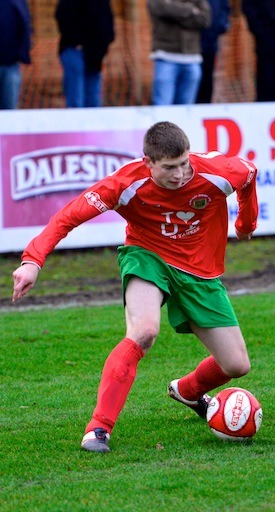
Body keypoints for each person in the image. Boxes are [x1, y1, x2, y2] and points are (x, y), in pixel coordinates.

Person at [11, 121, 259, 453]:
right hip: (147, 258)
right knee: (143, 332)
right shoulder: (125, 184)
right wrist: (33, 261)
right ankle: (98, 429)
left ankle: (187, 391)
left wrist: (246, 222)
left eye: (184, 163)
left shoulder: (217, 172)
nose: (180, 174)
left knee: (237, 365)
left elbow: (249, 174)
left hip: (199, 270)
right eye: (170, 168)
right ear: (148, 162)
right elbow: (67, 217)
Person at [148, 0, 211, 106]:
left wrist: (174, 12)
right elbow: (160, 8)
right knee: (162, 104)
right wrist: (191, 9)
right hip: (165, 57)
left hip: (192, 58)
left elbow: (204, 20)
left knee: (186, 108)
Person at [55, 0, 114, 108]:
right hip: (75, 50)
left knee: (93, 99)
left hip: (95, 53)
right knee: (76, 98)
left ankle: (93, 123)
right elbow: (63, 16)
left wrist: (104, 42)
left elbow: (106, 20)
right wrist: (76, 41)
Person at [195, 0, 230, 104]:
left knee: (207, 81)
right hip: (190, 46)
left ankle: (204, 109)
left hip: (210, 43)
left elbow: (225, 8)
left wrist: (222, 25)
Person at [0, 0, 31, 109]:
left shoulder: (16, 2)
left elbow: (25, 26)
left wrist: (22, 55)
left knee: (9, 109)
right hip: (11, 64)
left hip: (11, 64)